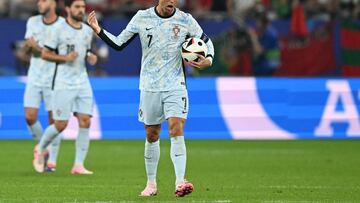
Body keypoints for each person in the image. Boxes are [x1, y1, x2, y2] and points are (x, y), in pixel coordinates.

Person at [87, 0, 214, 197]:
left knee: (176, 128)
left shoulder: (185, 20)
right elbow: (119, 44)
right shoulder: (141, 17)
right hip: (149, 86)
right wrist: (98, 30)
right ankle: (151, 184)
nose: (173, 1)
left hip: (175, 85)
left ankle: (180, 181)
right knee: (152, 134)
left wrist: (209, 59)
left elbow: (206, 41)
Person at [33, 0, 98, 175]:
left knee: (86, 121)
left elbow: (86, 52)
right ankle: (40, 148)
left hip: (82, 81)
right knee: (60, 124)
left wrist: (91, 57)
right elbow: (45, 54)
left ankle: (78, 165)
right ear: (68, 9)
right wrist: (65, 58)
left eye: (83, 7)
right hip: (62, 82)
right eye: (77, 7)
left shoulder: (86, 30)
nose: (81, 10)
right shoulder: (58, 30)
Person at [24, 0, 64, 172]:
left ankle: (52, 162)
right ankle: (43, 147)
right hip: (34, 76)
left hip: (53, 78)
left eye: (43, 0)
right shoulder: (32, 22)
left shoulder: (63, 25)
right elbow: (29, 49)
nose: (39, 3)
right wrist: (31, 47)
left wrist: (38, 48)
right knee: (30, 117)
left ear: (53, 3)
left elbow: (61, 53)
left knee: (53, 121)